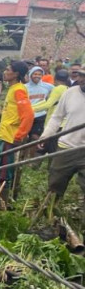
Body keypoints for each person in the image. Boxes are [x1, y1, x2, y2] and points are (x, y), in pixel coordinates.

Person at [41, 75, 85, 204]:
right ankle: (49, 214)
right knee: (55, 186)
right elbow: (57, 117)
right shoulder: (70, 93)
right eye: (81, 76)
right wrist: (46, 135)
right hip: (66, 147)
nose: (82, 79)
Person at [0, 61, 34, 194]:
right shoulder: (13, 88)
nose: (5, 71)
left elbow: (28, 115)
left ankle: (0, 202)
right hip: (4, 134)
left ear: (16, 74)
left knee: (3, 172)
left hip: (10, 137)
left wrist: (19, 135)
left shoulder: (19, 90)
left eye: (8, 69)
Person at [24, 66, 54, 139]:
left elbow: (56, 93)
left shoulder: (48, 86)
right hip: (27, 115)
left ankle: (32, 150)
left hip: (40, 116)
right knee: (24, 137)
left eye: (39, 74)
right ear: (31, 75)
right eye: (35, 74)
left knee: (35, 137)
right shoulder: (24, 87)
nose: (37, 76)